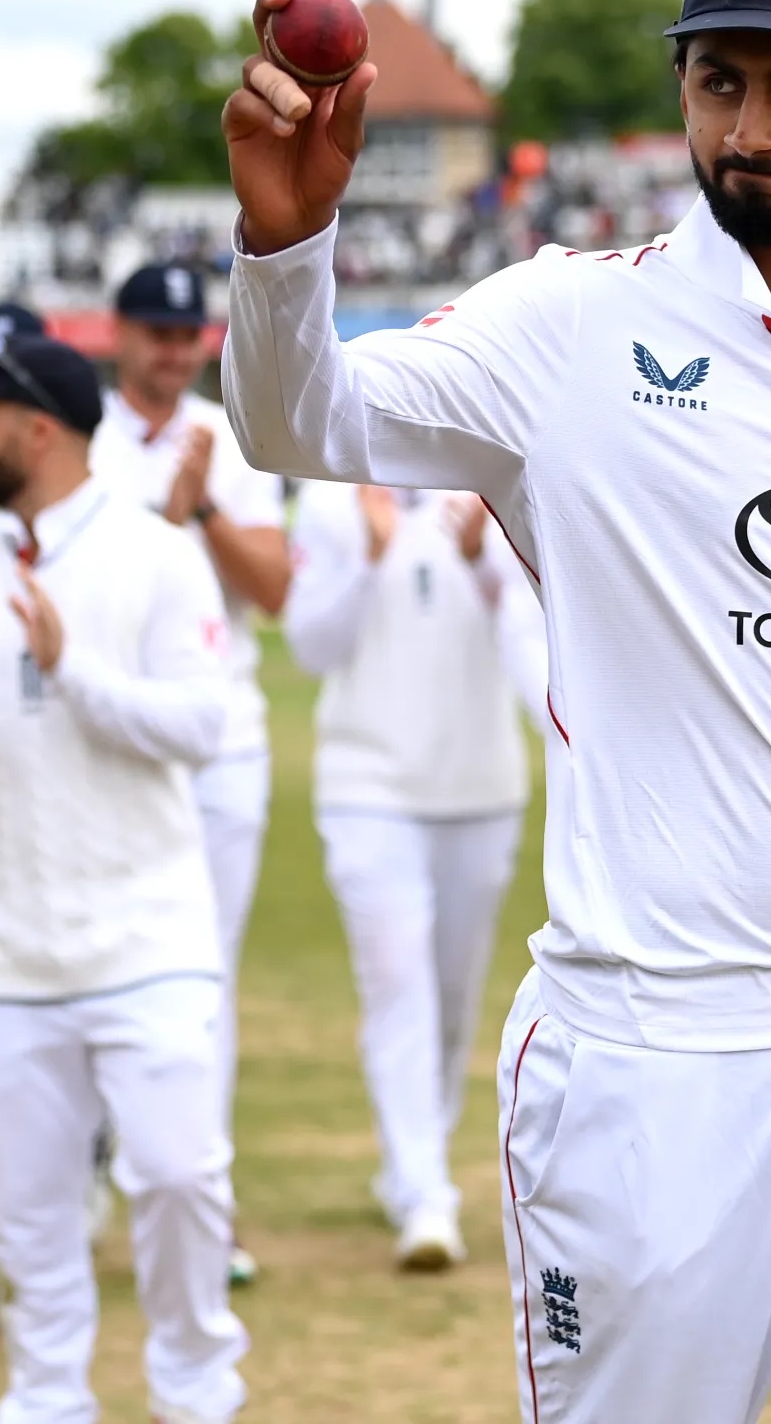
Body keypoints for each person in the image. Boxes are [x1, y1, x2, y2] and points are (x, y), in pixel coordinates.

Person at [223, 0, 771, 1424]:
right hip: (649, 1068)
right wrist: (287, 251)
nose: (749, 128)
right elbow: (308, 426)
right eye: (718, 80)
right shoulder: (570, 324)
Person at [0, 329, 249, 1424]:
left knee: (181, 1179)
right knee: (25, 1218)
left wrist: (69, 667)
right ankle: (44, 1400)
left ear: (34, 428)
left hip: (148, 940)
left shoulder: (154, 554)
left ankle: (194, 1392)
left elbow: (198, 723)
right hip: (4, 953)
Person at [88, 264, 291, 1287]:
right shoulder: (76, 438)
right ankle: (89, 1161)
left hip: (219, 741)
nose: (172, 351)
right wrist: (166, 522)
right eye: (155, 333)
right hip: (103, 740)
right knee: (93, 957)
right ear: (119, 334)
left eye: (185, 335)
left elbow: (277, 586)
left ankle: (199, 1204)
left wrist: (202, 506)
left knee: (201, 979)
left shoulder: (230, 431)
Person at [285, 482, 546, 1271]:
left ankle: (414, 1158)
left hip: (479, 787)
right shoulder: (334, 503)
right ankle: (424, 1189)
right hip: (369, 788)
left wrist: (484, 564)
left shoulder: (495, 483)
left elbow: (538, 641)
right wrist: (366, 556)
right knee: (398, 981)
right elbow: (309, 645)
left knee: (452, 993)